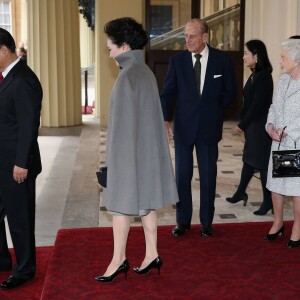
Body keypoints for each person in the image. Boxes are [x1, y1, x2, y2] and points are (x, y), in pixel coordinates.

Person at [94, 17, 179, 283]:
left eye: (110, 48)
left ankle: (118, 260)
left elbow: (122, 130)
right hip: (147, 155)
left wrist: (112, 165)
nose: (108, 53)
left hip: (128, 156)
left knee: (119, 207)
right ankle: (152, 253)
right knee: (147, 200)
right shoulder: (145, 72)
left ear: (124, 45)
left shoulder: (127, 77)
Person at [160, 19, 236, 237]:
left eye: (192, 36)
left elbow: (230, 93)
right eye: (185, 35)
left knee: (208, 176)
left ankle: (206, 223)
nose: (187, 40)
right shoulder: (177, 61)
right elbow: (168, 93)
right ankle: (182, 222)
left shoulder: (222, 60)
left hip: (209, 129)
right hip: (183, 128)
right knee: (182, 176)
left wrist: (215, 111)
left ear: (205, 37)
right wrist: (166, 118)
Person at [0, 28, 43, 288]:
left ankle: (25, 269)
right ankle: (3, 259)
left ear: (3, 50)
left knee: (20, 219)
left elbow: (29, 125)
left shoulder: (24, 79)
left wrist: (21, 164)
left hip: (17, 164)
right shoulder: (6, 77)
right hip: (2, 161)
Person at [226, 40, 274, 216]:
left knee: (261, 164)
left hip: (260, 127)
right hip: (253, 126)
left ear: (256, 55)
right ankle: (240, 192)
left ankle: (268, 201)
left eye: (246, 53)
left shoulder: (264, 76)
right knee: (248, 159)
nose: (243, 56)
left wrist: (242, 124)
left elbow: (258, 106)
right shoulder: (254, 74)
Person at [264, 38, 300, 248]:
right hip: (278, 142)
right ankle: (278, 222)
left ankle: (297, 227)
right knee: (276, 185)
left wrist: (287, 132)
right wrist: (270, 127)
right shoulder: (283, 79)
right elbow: (274, 107)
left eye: (283, 58)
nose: (279, 62)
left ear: (296, 61)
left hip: (295, 143)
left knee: (296, 188)